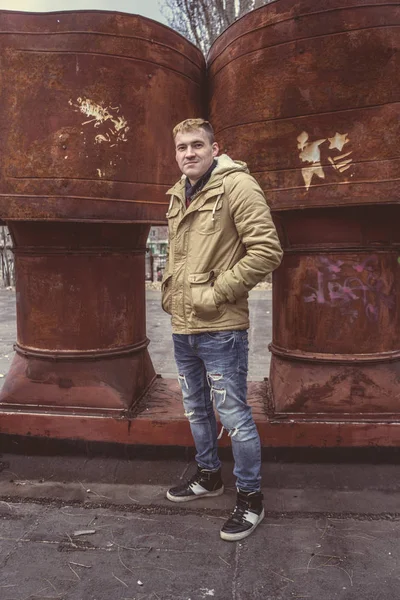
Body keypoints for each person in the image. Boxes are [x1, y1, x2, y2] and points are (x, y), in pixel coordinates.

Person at [161, 118, 283, 541]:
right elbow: (181, 258)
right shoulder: (179, 193)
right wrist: (170, 292)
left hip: (221, 327)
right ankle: (209, 476)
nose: (189, 153)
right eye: (181, 147)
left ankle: (251, 498)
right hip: (183, 325)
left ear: (216, 148)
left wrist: (215, 294)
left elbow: (267, 250)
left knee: (233, 414)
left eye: (197, 145)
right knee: (195, 407)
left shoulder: (237, 186)